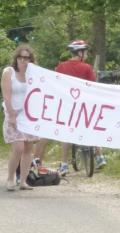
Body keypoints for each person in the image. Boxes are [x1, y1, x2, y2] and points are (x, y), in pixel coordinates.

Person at [39, 40, 107, 175]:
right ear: (80, 53)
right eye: (85, 52)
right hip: (83, 105)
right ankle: (99, 156)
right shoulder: (86, 67)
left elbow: (55, 85)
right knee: (90, 127)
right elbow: (92, 86)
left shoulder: (61, 67)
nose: (86, 54)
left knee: (66, 133)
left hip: (67, 105)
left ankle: (64, 164)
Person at [1, 44, 38, 191]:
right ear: (16, 58)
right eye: (21, 57)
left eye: (27, 58)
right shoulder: (9, 72)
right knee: (18, 147)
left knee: (28, 148)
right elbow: (6, 94)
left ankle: (23, 180)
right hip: (13, 113)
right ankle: (10, 178)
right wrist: (11, 114)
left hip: (28, 115)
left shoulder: (33, 75)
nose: (23, 60)